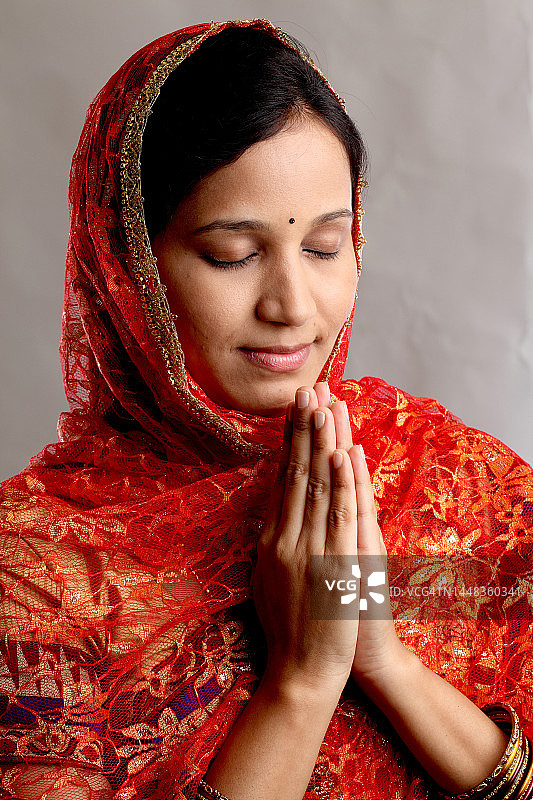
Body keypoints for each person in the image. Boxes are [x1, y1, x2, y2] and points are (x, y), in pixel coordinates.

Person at [0, 17, 532, 800]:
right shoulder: (36, 576)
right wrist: (302, 680)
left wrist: (382, 658)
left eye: (323, 247)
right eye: (232, 255)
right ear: (125, 264)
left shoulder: (452, 481)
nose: (291, 306)